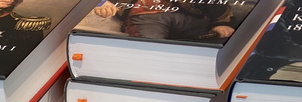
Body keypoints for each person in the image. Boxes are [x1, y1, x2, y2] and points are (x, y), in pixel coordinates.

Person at [93, 0, 241, 41]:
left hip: (194, 20)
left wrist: (222, 23)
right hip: (147, 13)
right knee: (149, 49)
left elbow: (218, 8)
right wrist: (99, 2)